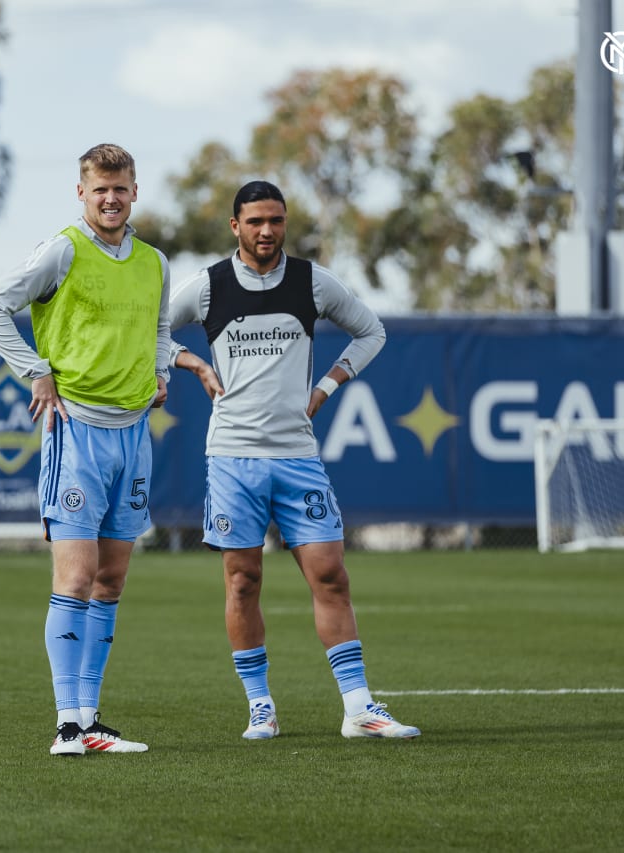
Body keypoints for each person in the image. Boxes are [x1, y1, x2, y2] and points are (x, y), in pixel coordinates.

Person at [169, 180, 419, 741]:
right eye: (255, 221)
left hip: (298, 455)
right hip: (233, 457)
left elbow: (370, 331)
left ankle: (358, 710)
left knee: (330, 574)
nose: (266, 231)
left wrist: (329, 385)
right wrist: (194, 364)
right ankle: (260, 705)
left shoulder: (312, 282)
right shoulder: (208, 287)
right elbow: (148, 330)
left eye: (276, 220)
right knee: (242, 581)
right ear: (235, 226)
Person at [0, 143, 172, 756]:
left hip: (133, 432)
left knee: (110, 581)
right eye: (99, 188)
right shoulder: (62, 249)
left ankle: (90, 719)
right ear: (81, 193)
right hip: (76, 429)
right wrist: (34, 368)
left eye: (121, 187)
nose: (110, 198)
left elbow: (162, 326)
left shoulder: (155, 261)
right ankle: (66, 725)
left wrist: (161, 368)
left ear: (135, 191)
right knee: (77, 576)